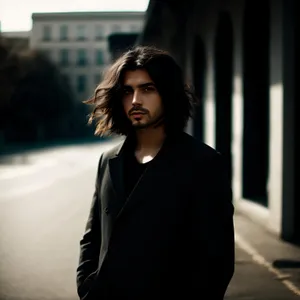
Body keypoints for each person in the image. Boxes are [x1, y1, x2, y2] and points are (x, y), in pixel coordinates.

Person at [76, 45, 235, 300]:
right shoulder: (109, 160)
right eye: (128, 91)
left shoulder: (203, 163)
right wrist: (86, 287)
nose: (136, 101)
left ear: (168, 94)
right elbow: (93, 236)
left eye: (147, 89)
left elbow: (216, 261)